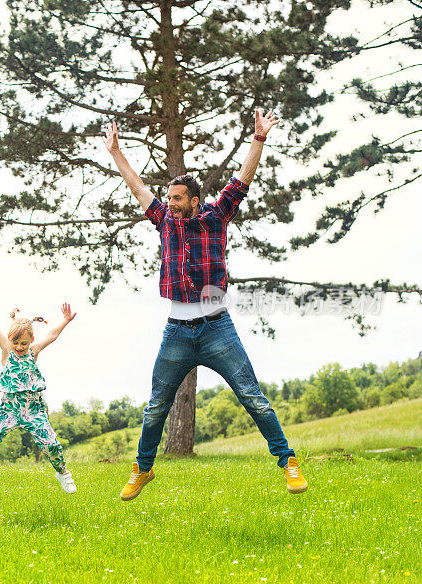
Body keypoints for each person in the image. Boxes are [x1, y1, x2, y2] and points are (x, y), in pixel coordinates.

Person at [104, 110, 308, 500]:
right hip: (177, 330)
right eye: (169, 199)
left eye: (178, 199)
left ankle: (287, 461)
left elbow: (241, 180)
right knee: (155, 408)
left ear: (195, 200)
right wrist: (117, 154)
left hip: (217, 328)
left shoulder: (216, 217)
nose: (171, 204)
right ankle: (143, 469)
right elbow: (136, 186)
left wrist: (259, 139)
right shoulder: (164, 220)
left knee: (252, 397)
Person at [0, 290, 78, 495]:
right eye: (16, 343)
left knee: (51, 444)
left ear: (31, 339)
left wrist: (65, 320)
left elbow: (52, 335)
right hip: (8, 411)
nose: (20, 347)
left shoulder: (34, 351)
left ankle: (63, 473)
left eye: (24, 343)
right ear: (9, 340)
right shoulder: (6, 349)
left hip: (33, 410)